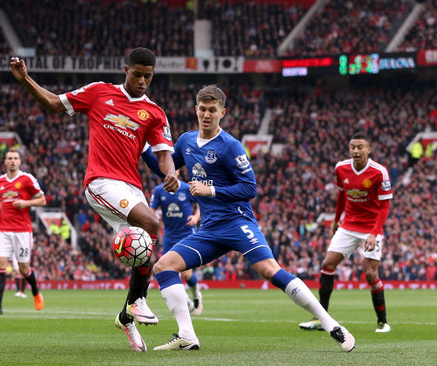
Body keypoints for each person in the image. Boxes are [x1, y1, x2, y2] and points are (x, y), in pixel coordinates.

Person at [143, 85, 355, 352]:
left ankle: (330, 323)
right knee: (163, 267)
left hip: (237, 222)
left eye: (213, 110)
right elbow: (162, 166)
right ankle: (187, 336)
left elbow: (250, 188)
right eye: (203, 109)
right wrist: (141, 145)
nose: (207, 115)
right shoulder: (185, 141)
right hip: (209, 229)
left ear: (223, 112)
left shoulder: (230, 146)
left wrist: (212, 190)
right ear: (196, 110)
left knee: (269, 270)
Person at [10, 47, 179, 352]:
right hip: (100, 182)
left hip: (131, 188)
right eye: (137, 74)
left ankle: (126, 315)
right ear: (125, 69)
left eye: (148, 76)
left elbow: (164, 155)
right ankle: (139, 299)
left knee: (146, 252)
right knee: (151, 223)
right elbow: (53, 103)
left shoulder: (154, 113)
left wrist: (170, 173)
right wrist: (25, 80)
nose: (142, 81)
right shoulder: (99, 92)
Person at [299, 132, 393, 333]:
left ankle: (382, 322)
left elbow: (385, 206)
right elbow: (342, 194)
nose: (356, 151)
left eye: (360, 147)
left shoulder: (379, 172)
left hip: (371, 227)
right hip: (348, 225)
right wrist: (336, 219)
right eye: (352, 147)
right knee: (327, 264)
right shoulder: (341, 168)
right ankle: (321, 319)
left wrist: (374, 233)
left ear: (369, 149)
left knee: (370, 273)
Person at [0, 148, 46, 315]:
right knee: (0, 264)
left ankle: (35, 291)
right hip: (3, 229)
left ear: (20, 161)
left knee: (24, 268)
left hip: (22, 230)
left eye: (15, 158)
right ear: (5, 162)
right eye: (9, 158)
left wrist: (25, 203)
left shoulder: (27, 179)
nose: (12, 161)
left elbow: (42, 199)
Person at [149, 177, 203, 315]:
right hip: (169, 236)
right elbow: (151, 210)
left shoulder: (186, 188)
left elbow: (201, 203)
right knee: (168, 271)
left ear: (177, 170)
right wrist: (154, 217)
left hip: (186, 233)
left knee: (185, 273)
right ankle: (188, 302)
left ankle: (196, 295)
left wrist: (196, 217)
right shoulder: (159, 190)